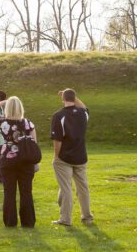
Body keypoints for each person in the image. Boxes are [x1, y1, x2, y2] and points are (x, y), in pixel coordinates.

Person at [51, 88, 93, 226]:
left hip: (64, 158)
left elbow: (57, 140)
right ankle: (87, 217)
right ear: (74, 98)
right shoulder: (83, 114)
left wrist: (56, 156)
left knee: (66, 188)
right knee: (83, 188)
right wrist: (71, 95)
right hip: (81, 156)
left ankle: (65, 219)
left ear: (63, 99)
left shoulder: (58, 115)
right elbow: (84, 107)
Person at [0, 96, 37, 228]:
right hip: (26, 160)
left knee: (9, 192)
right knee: (26, 192)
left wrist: (5, 101)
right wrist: (36, 163)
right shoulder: (28, 123)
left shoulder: (2, 122)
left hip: (8, 160)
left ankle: (10, 221)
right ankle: (28, 221)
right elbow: (34, 143)